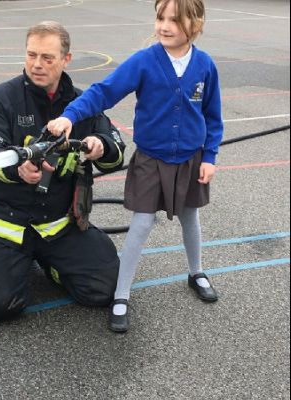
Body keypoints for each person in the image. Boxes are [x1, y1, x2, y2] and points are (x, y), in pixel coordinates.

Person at [47, 0, 224, 333]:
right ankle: (121, 294)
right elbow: (104, 91)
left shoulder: (205, 65)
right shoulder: (144, 61)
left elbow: (213, 116)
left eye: (175, 19)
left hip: (190, 159)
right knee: (141, 224)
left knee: (190, 216)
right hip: (151, 160)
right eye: (160, 17)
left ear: (195, 24)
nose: (165, 26)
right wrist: (69, 115)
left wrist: (210, 157)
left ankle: (196, 272)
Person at [0, 21, 126, 321]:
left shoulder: (82, 104)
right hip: (6, 225)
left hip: (57, 225)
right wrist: (18, 169)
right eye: (31, 55)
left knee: (107, 288)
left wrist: (100, 145)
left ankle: (51, 265)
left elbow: (116, 149)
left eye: (47, 58)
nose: (37, 65)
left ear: (66, 59)